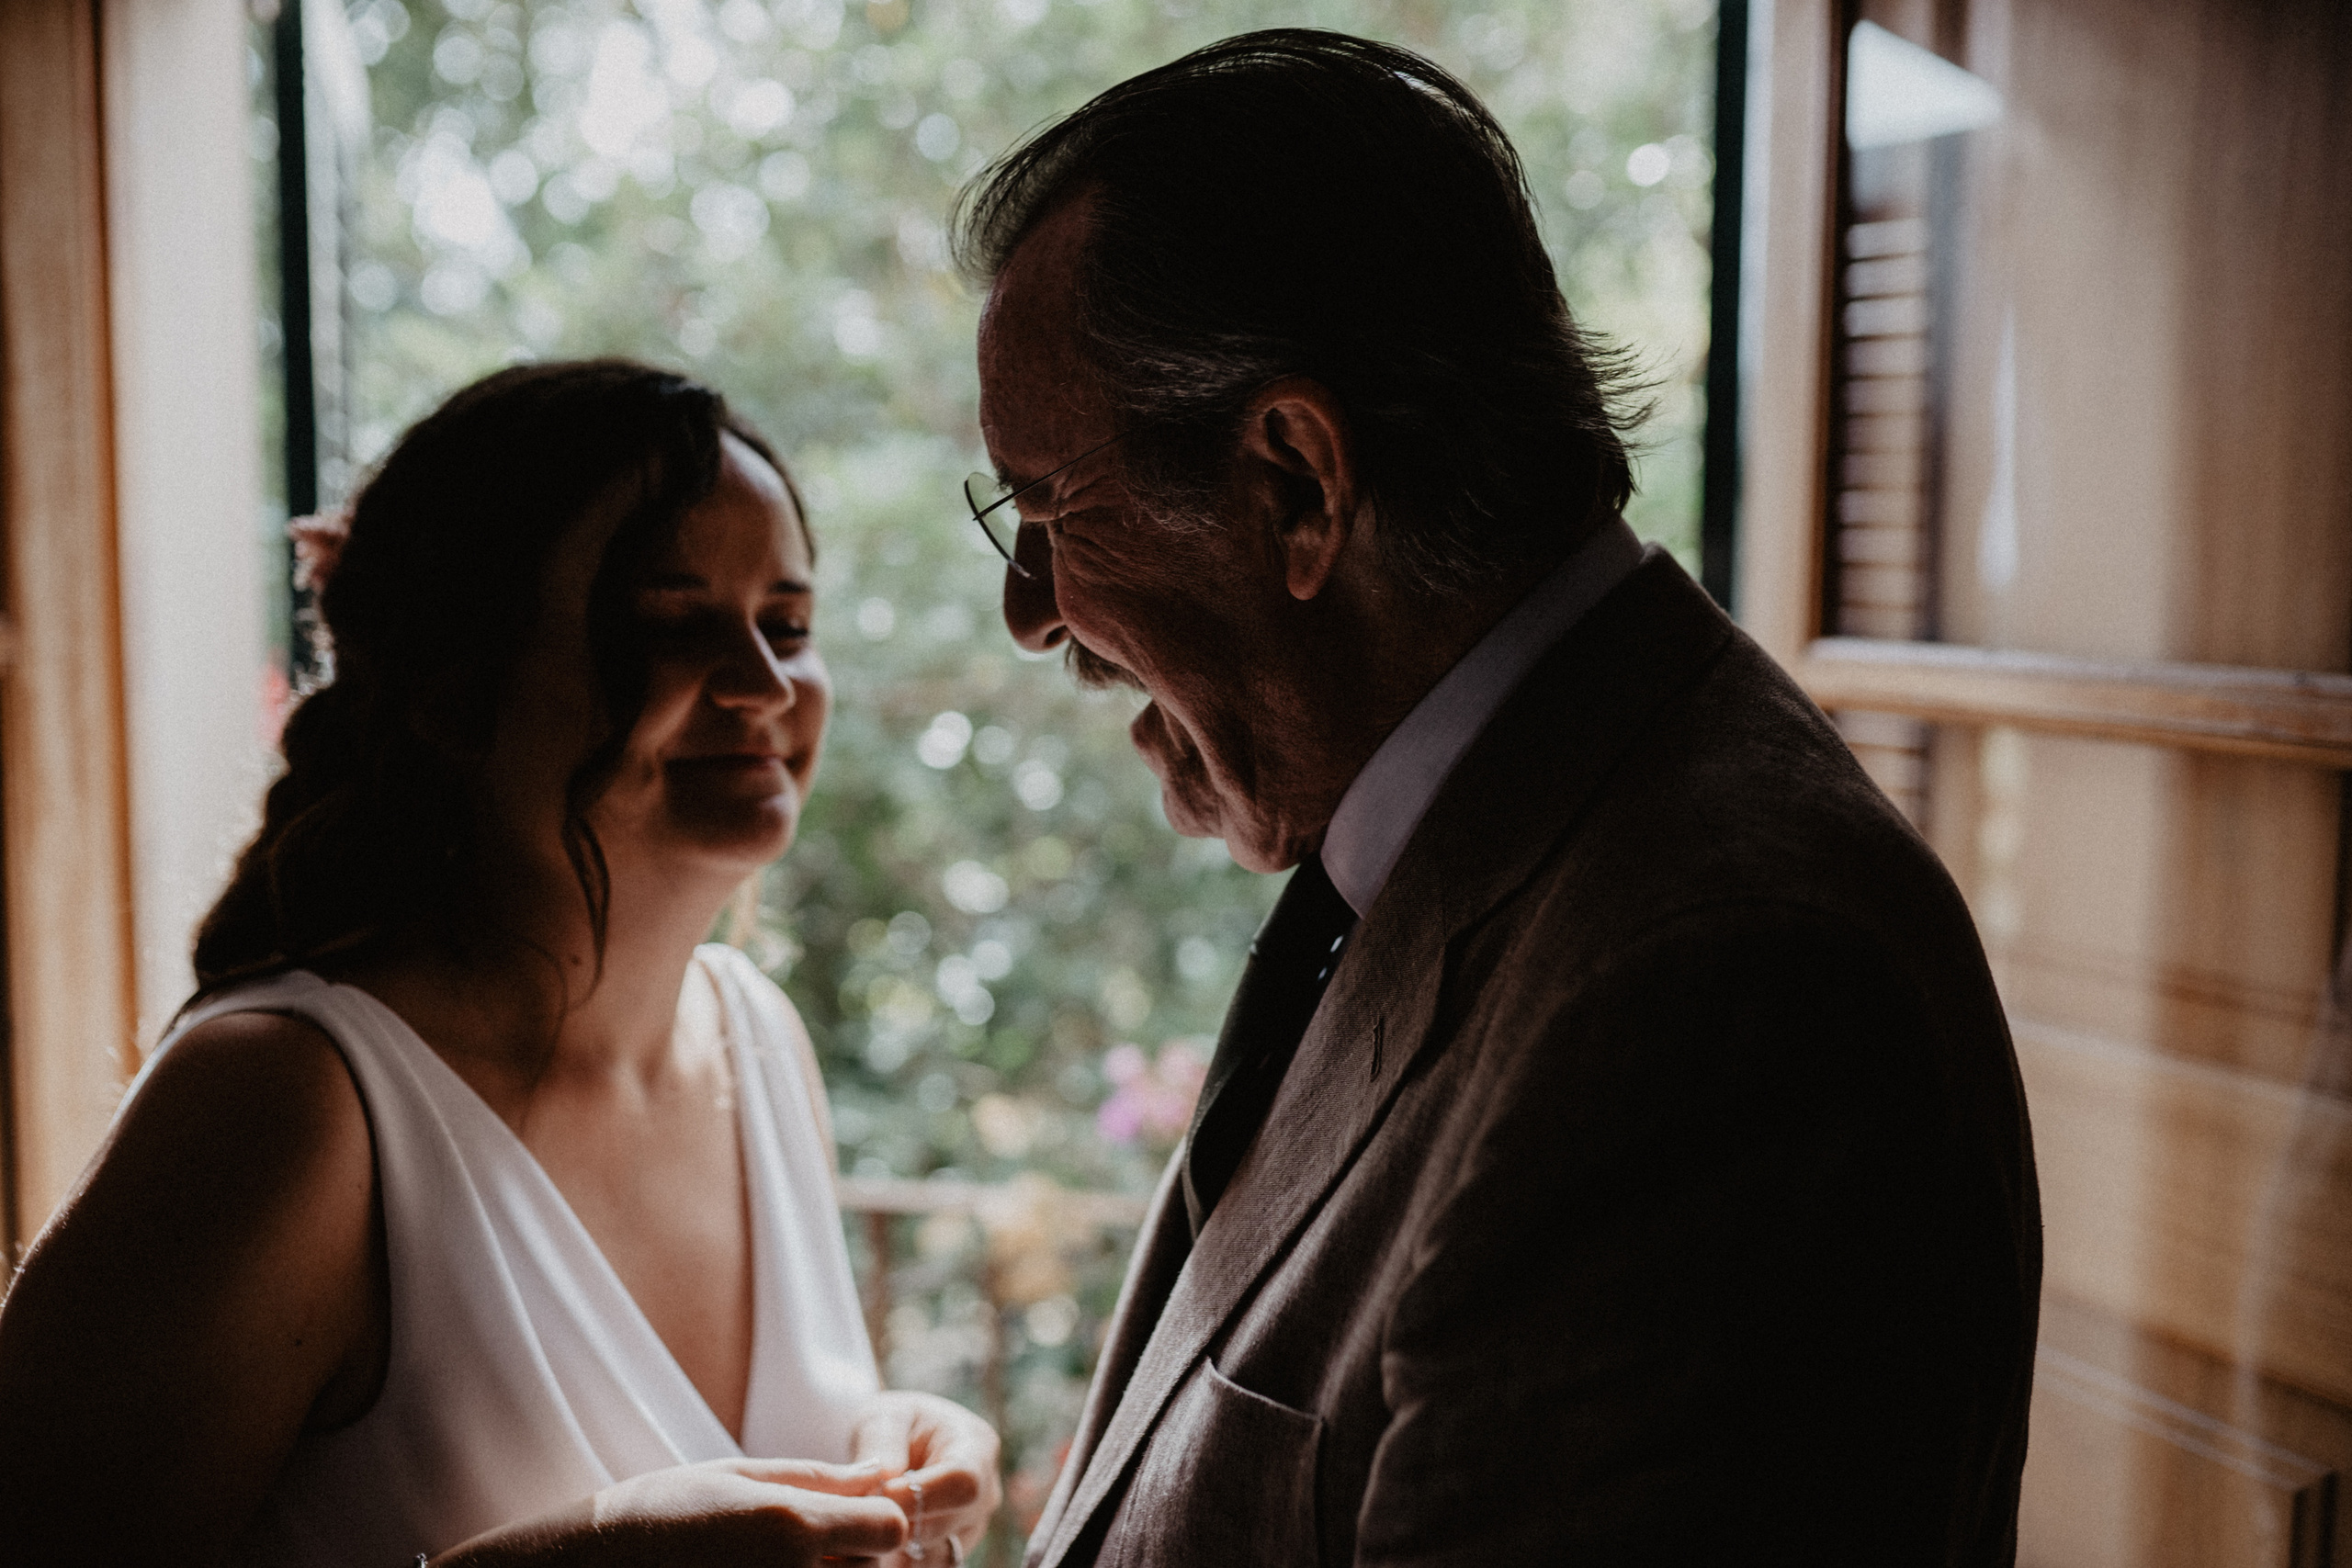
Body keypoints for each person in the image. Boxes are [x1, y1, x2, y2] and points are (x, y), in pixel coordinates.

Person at [955, 31, 2041, 1566]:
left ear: (1297, 484)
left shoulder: (1714, 991)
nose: (1029, 611)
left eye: (1052, 509)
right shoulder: (1482, 850)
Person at [0, 361, 999, 1566]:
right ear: (454, 693)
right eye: (668, 625)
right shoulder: (287, 1106)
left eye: (787, 625)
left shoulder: (758, 1039)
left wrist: (880, 1443)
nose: (763, 683)